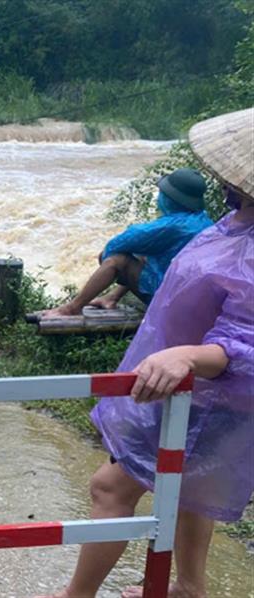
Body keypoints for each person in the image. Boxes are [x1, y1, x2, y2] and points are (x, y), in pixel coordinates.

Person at [42, 107, 253, 598]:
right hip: (190, 387)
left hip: (199, 390)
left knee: (109, 487)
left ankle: (78, 595)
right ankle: (189, 588)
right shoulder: (234, 222)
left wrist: (189, 356)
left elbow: (245, 341)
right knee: (194, 491)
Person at [42, 168, 212, 318]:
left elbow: (114, 246)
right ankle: (111, 297)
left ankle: (72, 308)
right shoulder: (204, 221)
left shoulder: (172, 226)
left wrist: (114, 259)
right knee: (144, 256)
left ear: (169, 198)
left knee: (116, 261)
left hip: (171, 301)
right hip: (192, 297)